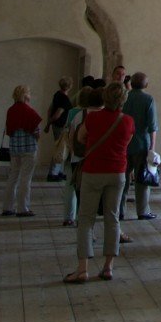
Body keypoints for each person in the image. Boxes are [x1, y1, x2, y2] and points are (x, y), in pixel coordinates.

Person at [65, 81, 135, 282]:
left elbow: (80, 137)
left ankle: (82, 269)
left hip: (93, 170)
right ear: (123, 100)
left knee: (86, 219)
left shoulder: (93, 118)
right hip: (117, 172)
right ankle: (108, 267)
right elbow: (126, 143)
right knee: (112, 218)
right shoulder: (128, 121)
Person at [62, 83, 102, 227]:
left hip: (77, 157)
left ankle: (72, 216)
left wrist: (73, 151)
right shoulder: (100, 115)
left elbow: (71, 135)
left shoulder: (75, 113)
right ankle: (86, 220)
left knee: (74, 187)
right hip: (94, 158)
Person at [120, 71, 159, 221]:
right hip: (142, 144)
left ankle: (120, 210)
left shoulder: (124, 97)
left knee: (122, 179)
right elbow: (152, 126)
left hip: (124, 143)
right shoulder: (148, 99)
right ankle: (142, 211)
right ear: (146, 84)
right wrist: (152, 148)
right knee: (142, 179)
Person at [2, 84, 42, 216]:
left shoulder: (11, 110)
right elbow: (36, 131)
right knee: (26, 178)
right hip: (29, 148)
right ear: (25, 96)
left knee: (12, 177)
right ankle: (23, 208)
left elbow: (9, 130)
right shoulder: (29, 111)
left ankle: (7, 207)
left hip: (14, 149)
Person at [44, 77, 73, 180]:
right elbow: (58, 114)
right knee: (60, 149)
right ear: (70, 86)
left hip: (56, 125)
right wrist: (49, 123)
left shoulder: (57, 94)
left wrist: (49, 123)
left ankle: (59, 171)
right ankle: (53, 173)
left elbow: (50, 109)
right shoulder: (64, 99)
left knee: (61, 148)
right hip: (61, 126)